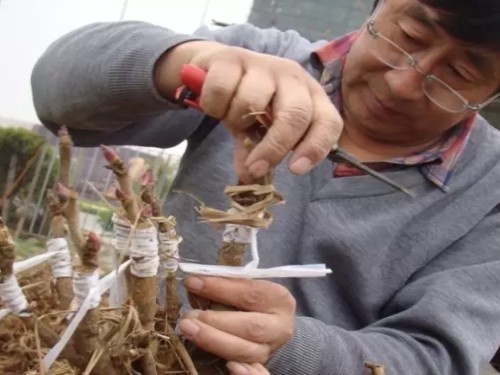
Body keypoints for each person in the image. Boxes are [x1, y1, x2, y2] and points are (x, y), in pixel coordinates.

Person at [31, 0, 500, 373]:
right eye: (408, 37)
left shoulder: (490, 188)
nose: (402, 83)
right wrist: (190, 63)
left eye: (459, 75)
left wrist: (295, 350)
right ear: (376, 8)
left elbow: (438, 356)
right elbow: (56, 95)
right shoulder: (266, 59)